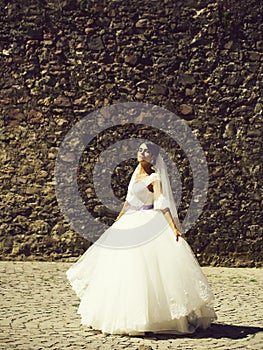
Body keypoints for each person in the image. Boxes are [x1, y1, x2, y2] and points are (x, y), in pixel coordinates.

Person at [66, 141, 217, 336]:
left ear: (153, 157)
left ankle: (151, 318)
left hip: (149, 222)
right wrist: (117, 222)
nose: (142, 153)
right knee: (122, 270)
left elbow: (162, 204)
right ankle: (118, 315)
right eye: (140, 150)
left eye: (146, 151)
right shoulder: (135, 174)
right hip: (131, 220)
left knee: (149, 271)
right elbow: (129, 201)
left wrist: (174, 229)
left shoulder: (155, 177)